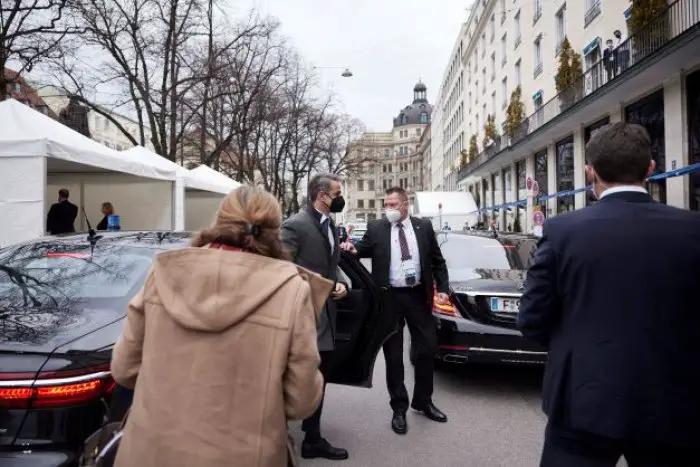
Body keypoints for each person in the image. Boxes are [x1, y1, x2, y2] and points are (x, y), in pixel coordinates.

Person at [517, 122, 700, 467]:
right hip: (674, 402)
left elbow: (531, 320)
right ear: (650, 168)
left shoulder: (562, 231)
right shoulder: (692, 229)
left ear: (590, 172)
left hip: (582, 400)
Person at [110, 186, 332, 467]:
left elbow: (124, 369)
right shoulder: (291, 291)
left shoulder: (163, 274)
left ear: (218, 220)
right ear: (274, 231)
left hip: (151, 451)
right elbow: (301, 401)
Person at [341, 187, 450, 435]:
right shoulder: (377, 228)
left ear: (405, 205)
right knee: (393, 355)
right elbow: (362, 248)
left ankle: (423, 401)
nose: (388, 209)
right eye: (386, 205)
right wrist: (351, 248)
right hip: (388, 298)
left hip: (417, 297)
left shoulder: (423, 227)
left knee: (427, 347)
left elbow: (437, 260)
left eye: (393, 205)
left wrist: (443, 288)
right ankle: (398, 408)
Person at [281, 174, 349, 461]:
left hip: (327, 316)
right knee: (301, 374)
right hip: (303, 315)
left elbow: (332, 266)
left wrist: (342, 282)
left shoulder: (329, 224)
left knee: (322, 374)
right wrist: (324, 286)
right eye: (337, 192)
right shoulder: (295, 225)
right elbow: (282, 270)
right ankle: (286, 434)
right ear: (322, 195)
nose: (340, 196)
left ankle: (312, 437)